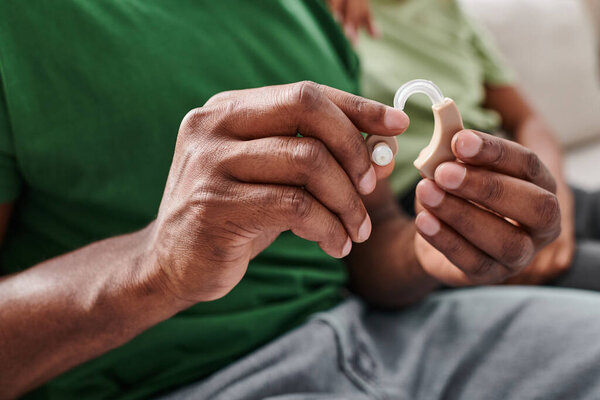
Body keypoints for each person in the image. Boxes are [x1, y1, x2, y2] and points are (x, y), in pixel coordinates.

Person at [1, 1, 600, 399]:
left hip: (394, 337)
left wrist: (428, 252)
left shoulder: (308, 9)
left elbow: (369, 243)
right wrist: (153, 267)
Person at [330, 0, 600, 289]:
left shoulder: (447, 10)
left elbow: (528, 120)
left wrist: (557, 198)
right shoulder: (332, 20)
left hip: (510, 179)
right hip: (424, 200)